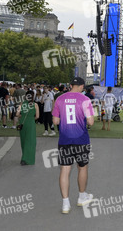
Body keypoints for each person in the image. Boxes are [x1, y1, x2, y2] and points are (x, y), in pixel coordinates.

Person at [52, 77, 95, 214]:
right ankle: (82, 196)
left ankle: (65, 203)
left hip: (65, 139)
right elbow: (91, 122)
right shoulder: (85, 100)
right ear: (82, 86)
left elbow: (56, 121)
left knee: (65, 170)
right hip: (81, 139)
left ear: (70, 85)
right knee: (82, 168)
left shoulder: (59, 99)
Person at [16, 90, 39, 165]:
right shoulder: (35, 105)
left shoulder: (22, 104)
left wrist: (21, 116)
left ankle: (24, 157)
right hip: (31, 123)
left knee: (23, 140)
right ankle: (27, 159)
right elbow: (37, 116)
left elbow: (17, 114)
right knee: (30, 141)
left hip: (22, 123)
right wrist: (31, 118)